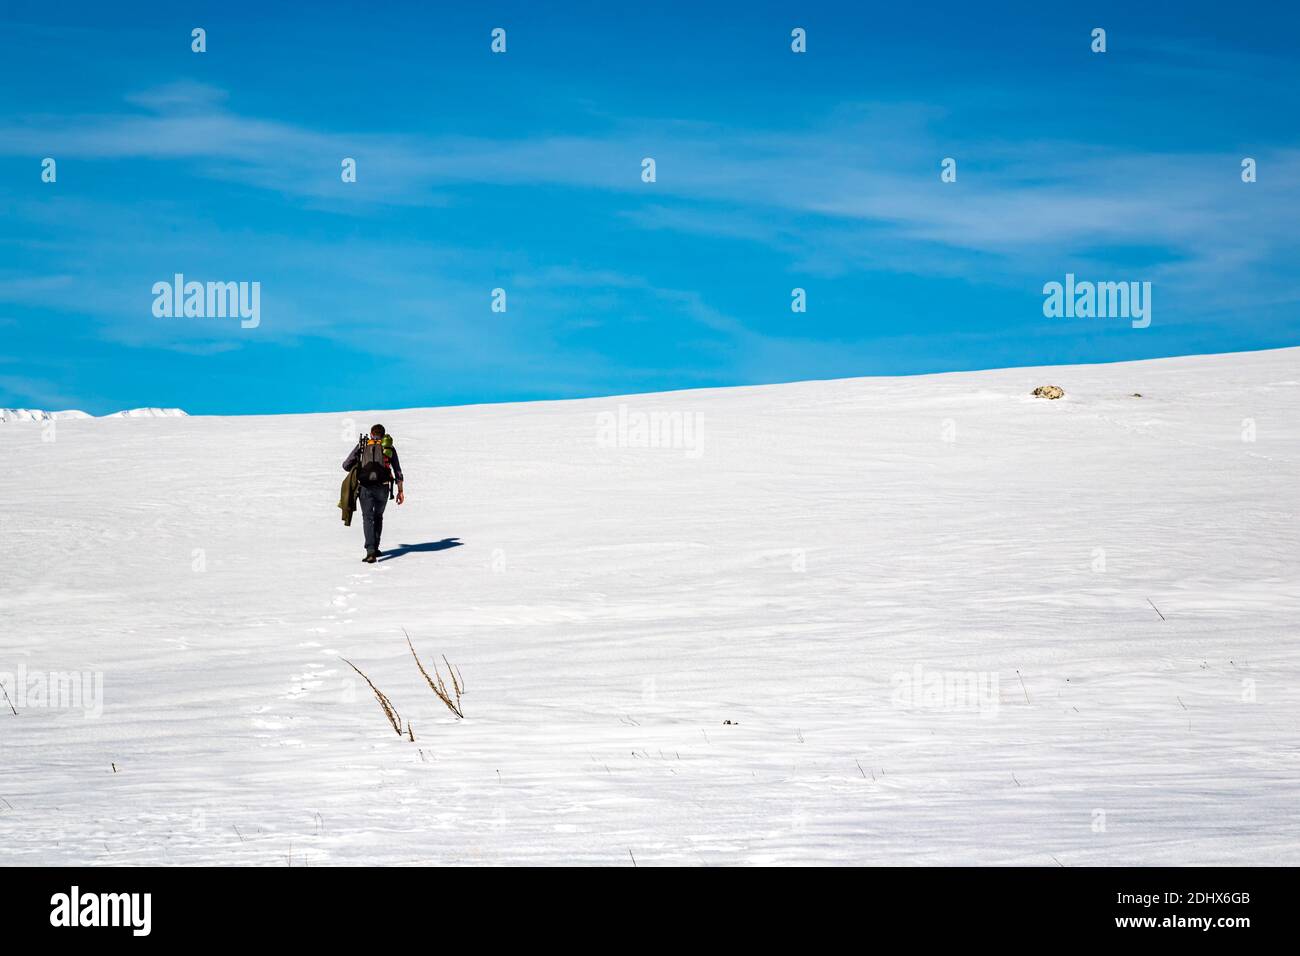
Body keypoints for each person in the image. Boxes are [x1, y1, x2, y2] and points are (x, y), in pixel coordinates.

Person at [342, 424, 405, 562]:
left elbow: (346, 465)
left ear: (371, 434)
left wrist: (359, 465)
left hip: (365, 487)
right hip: (383, 487)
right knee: (378, 516)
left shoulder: (363, 445)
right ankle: (375, 548)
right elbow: (398, 470)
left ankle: (370, 551)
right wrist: (400, 490)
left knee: (367, 518)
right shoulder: (389, 447)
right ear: (384, 435)